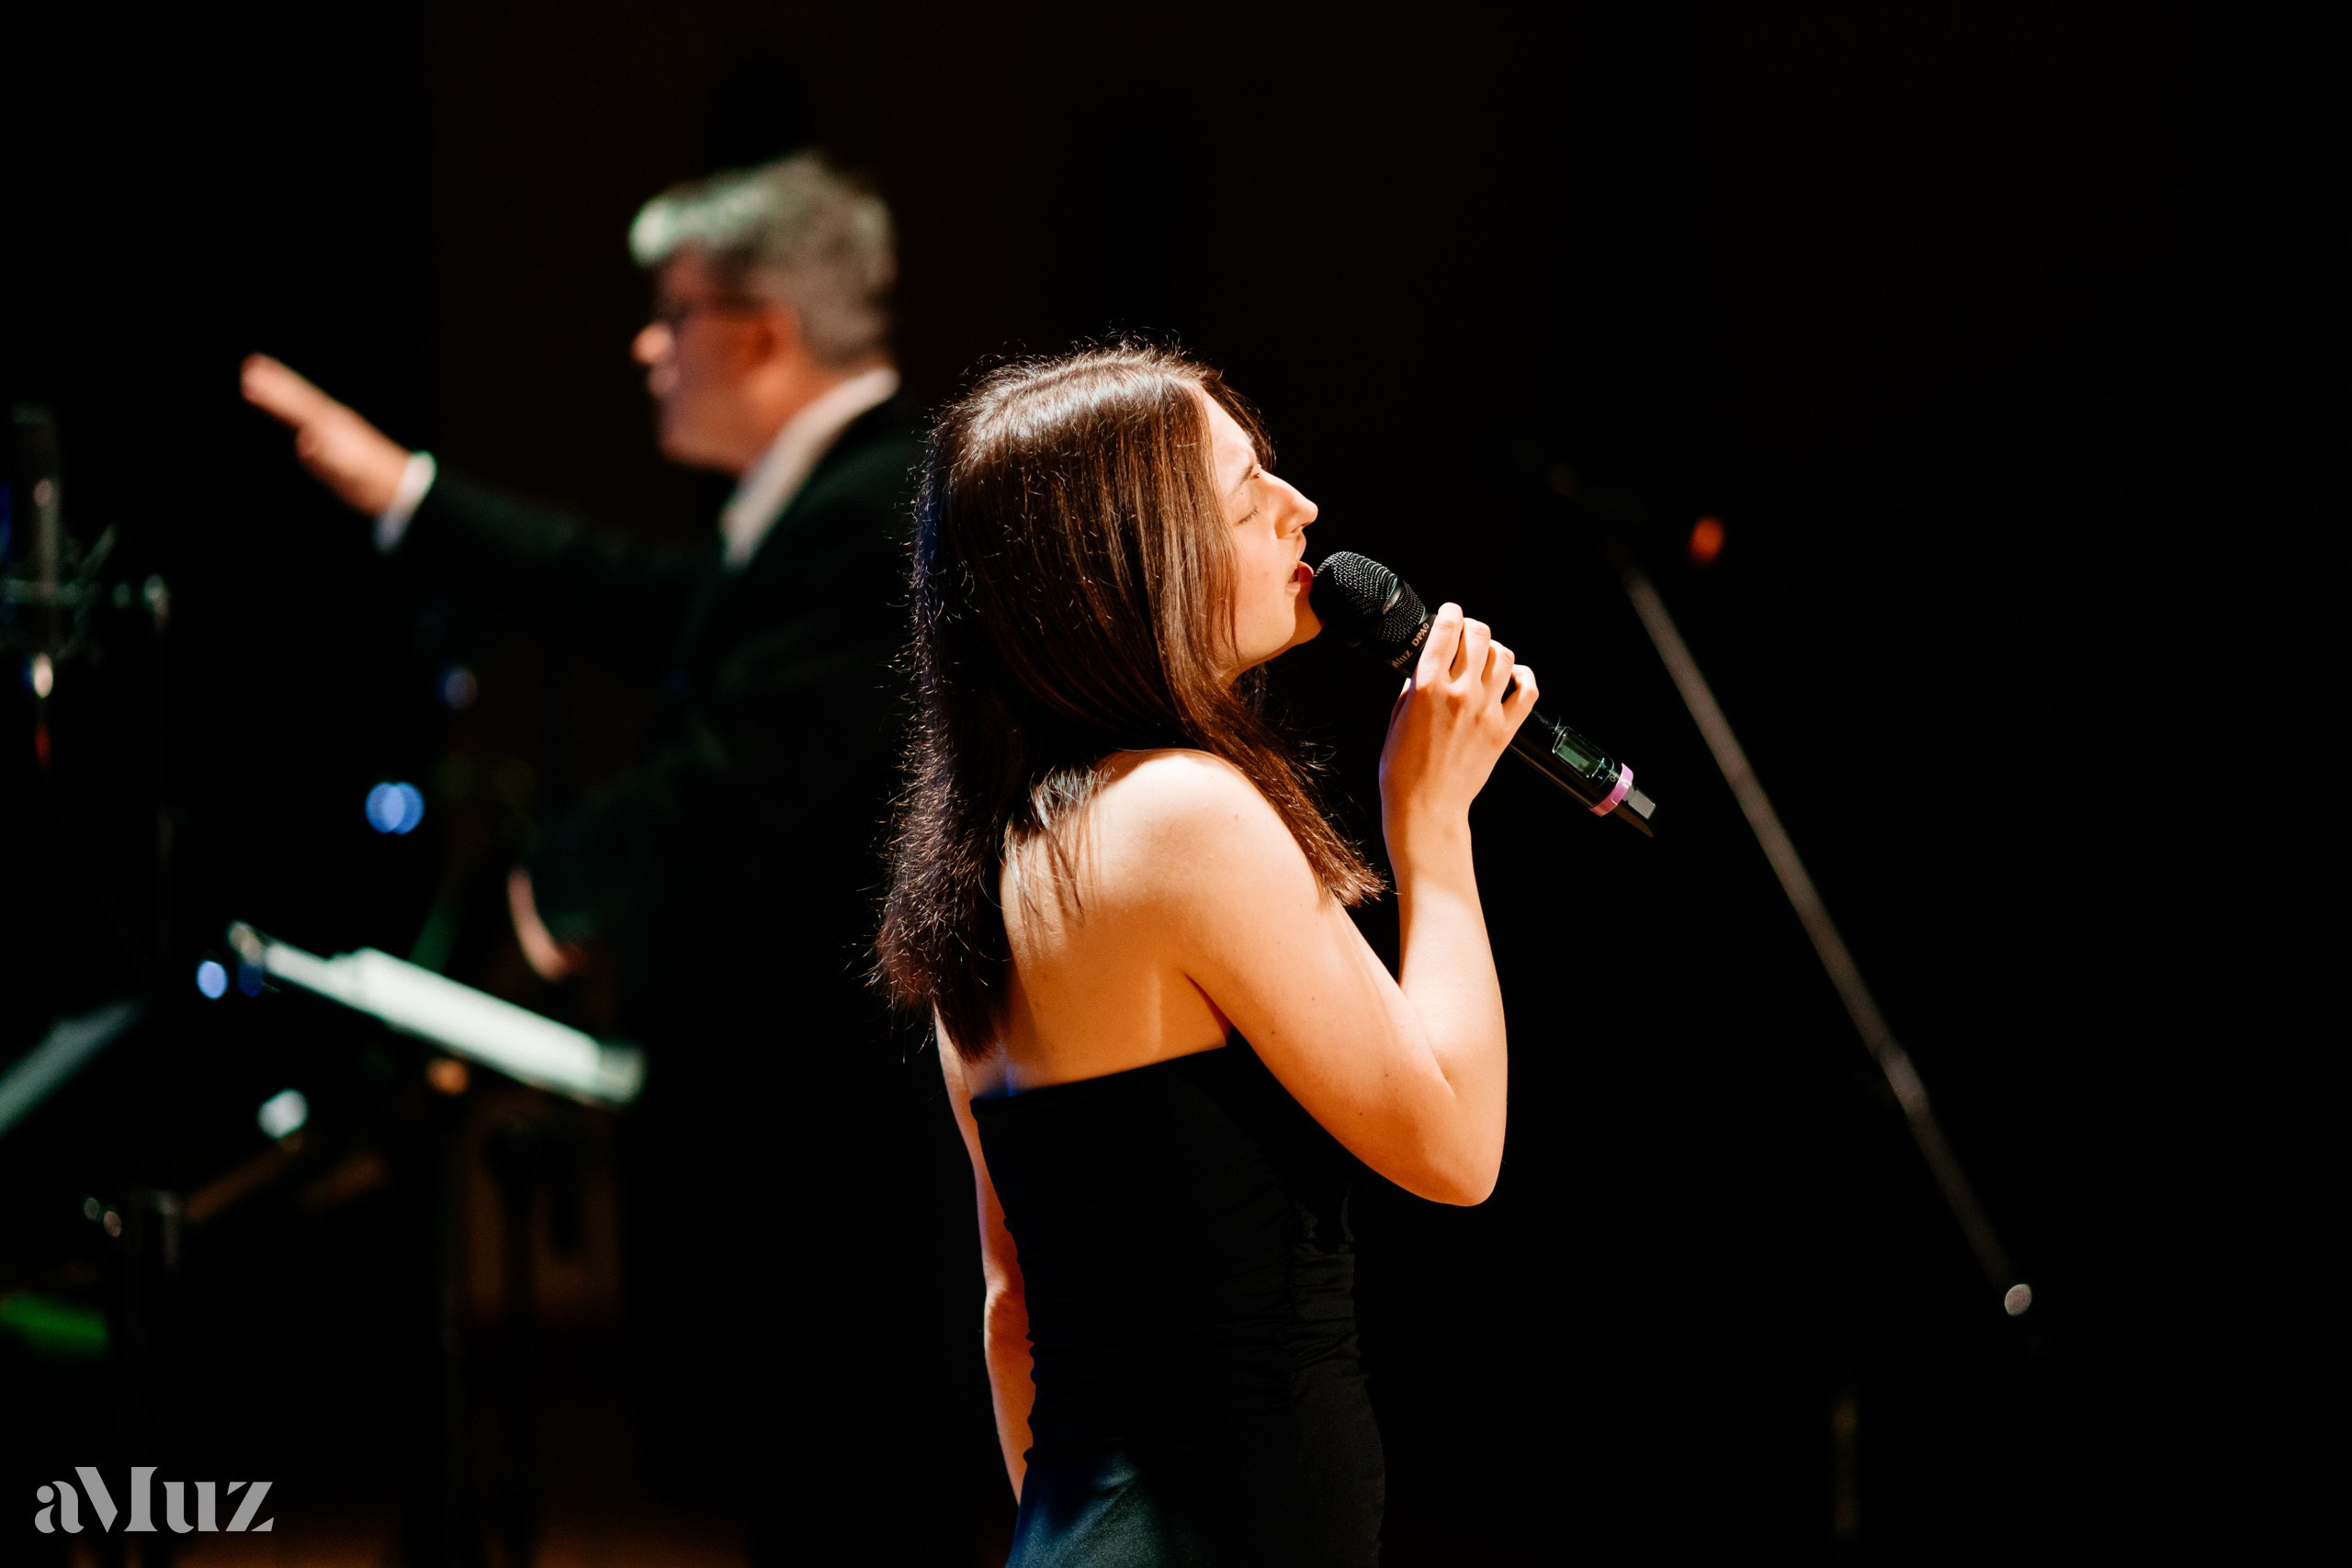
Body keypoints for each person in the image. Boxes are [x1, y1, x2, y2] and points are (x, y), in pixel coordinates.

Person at [243, 154, 989, 1562]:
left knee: (867, 1508)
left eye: (674, 314)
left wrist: (531, 899)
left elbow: (738, 781)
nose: (647, 347)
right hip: (807, 1136)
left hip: (848, 1149)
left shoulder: (880, 504)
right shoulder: (826, 493)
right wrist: (404, 487)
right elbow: (632, 595)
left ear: (761, 331)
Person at [878, 345, 1539, 1565]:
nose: (1301, 512)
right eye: (1245, 497)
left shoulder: (993, 861)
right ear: (1123, 568)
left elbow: (1012, 1311)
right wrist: (1432, 825)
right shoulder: (1181, 814)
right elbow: (1456, 1147)